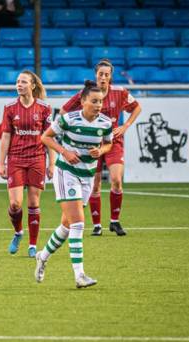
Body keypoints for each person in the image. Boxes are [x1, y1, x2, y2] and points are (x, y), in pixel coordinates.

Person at [35, 80, 113, 289]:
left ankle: (42, 256)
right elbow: (46, 137)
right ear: (83, 101)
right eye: (94, 101)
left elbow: (108, 143)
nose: (98, 105)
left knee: (67, 227)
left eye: (100, 102)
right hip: (66, 172)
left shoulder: (105, 123)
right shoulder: (68, 119)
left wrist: (102, 151)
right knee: (78, 223)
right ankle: (79, 275)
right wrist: (65, 152)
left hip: (87, 175)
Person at [60, 59, 141, 237]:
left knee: (116, 180)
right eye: (100, 74)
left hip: (112, 142)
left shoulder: (120, 92)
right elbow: (63, 112)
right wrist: (73, 133)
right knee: (95, 186)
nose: (103, 77)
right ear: (95, 75)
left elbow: (137, 108)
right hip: (89, 145)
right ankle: (97, 225)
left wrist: (125, 125)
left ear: (110, 76)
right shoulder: (86, 94)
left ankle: (114, 221)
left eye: (106, 74)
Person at [0, 70, 55, 258]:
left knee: (33, 202)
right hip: (15, 158)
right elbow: (5, 136)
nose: (19, 85)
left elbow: (49, 137)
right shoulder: (9, 107)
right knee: (15, 204)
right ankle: (18, 232)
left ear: (32, 85)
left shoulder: (44, 108)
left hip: (37, 158)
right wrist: (1, 163)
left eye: (23, 82)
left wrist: (52, 163)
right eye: (17, 82)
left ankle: (32, 245)